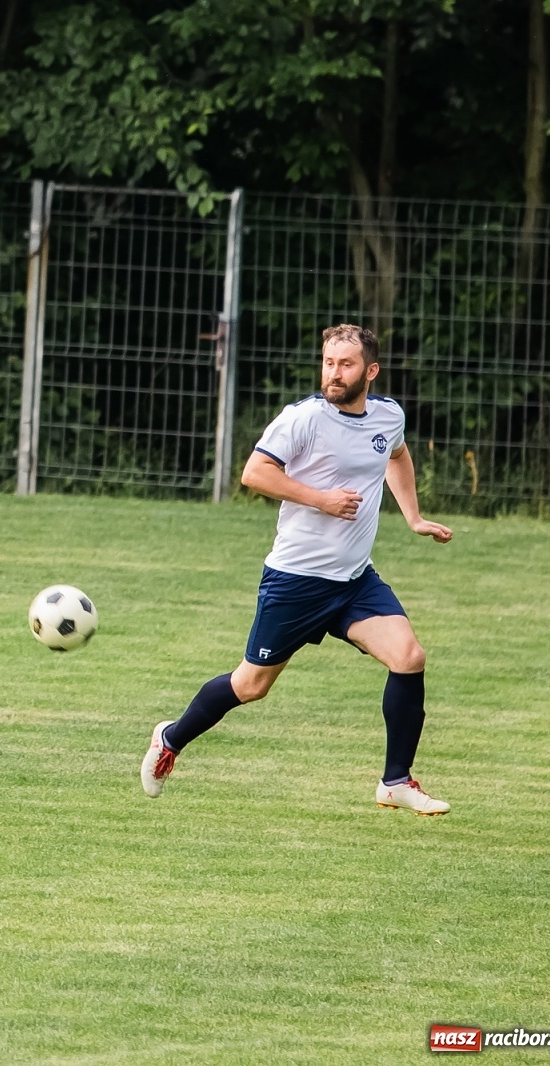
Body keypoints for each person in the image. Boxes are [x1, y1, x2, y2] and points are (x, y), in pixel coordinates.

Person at [140, 324, 455, 815]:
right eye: (328, 362)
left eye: (345, 364)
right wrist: (322, 500)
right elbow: (254, 473)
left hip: (354, 580)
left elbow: (396, 454)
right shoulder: (304, 419)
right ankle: (170, 738)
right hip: (296, 581)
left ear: (370, 371)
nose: (334, 372)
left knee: (409, 656)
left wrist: (412, 517)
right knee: (251, 686)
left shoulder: (388, 416)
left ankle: (395, 780)